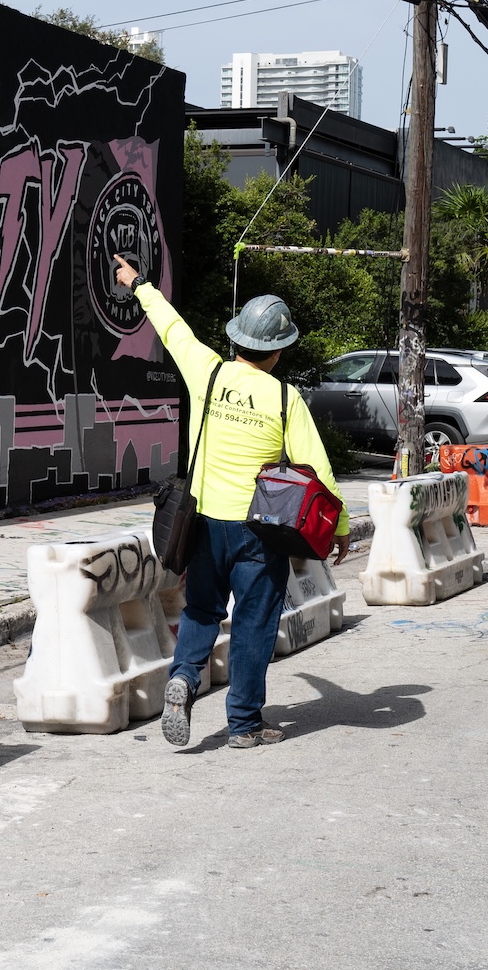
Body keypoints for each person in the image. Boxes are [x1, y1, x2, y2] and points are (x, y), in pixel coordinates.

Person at [113, 254, 350, 751]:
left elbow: (171, 327)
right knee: (253, 622)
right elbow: (317, 470)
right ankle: (243, 724)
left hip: (203, 523)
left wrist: (138, 284)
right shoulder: (285, 399)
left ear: (236, 338)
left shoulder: (209, 374)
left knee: (201, 609)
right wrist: (341, 527)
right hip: (258, 530)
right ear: (279, 351)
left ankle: (183, 679)